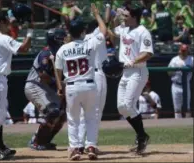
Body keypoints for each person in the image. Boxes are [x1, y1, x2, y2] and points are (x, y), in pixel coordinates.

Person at [55, 4, 107, 161]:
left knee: (73, 120)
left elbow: (57, 70)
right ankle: (91, 146)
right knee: (91, 117)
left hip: (72, 86)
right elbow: (103, 30)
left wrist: (59, 87)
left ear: (69, 32)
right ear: (83, 31)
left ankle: (76, 149)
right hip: (90, 85)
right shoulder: (89, 43)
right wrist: (97, 15)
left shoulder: (63, 49)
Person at [0, 10, 33, 160]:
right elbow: (24, 49)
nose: (9, 25)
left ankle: (0, 146)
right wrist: (30, 32)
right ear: (2, 22)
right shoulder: (2, 38)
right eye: (7, 22)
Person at [112, 3, 153, 155]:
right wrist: (117, 16)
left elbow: (148, 53)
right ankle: (142, 135)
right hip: (126, 72)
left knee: (128, 105)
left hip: (138, 71)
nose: (124, 17)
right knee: (121, 108)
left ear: (134, 17)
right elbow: (112, 31)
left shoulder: (143, 32)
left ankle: (142, 136)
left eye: (127, 15)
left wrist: (133, 61)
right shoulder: (123, 28)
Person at [24, 28, 67, 151]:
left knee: (62, 115)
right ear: (54, 39)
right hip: (35, 85)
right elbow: (43, 76)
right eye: (60, 38)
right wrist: (59, 85)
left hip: (47, 88)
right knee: (52, 112)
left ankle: (45, 141)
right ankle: (36, 141)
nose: (63, 40)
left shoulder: (60, 53)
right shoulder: (46, 54)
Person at [78, 19, 108, 154]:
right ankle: (91, 145)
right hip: (97, 75)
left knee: (83, 113)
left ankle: (78, 144)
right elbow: (104, 26)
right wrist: (98, 15)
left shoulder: (79, 39)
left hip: (82, 76)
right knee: (96, 113)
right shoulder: (96, 36)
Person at [168, 44, 193, 118]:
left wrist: (190, 68)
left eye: (185, 51)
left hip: (186, 84)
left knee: (187, 107)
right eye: (182, 50)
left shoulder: (191, 59)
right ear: (179, 51)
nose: (183, 52)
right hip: (176, 85)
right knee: (177, 108)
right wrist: (176, 69)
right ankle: (178, 125)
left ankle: (188, 125)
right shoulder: (174, 60)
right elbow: (168, 73)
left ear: (187, 51)